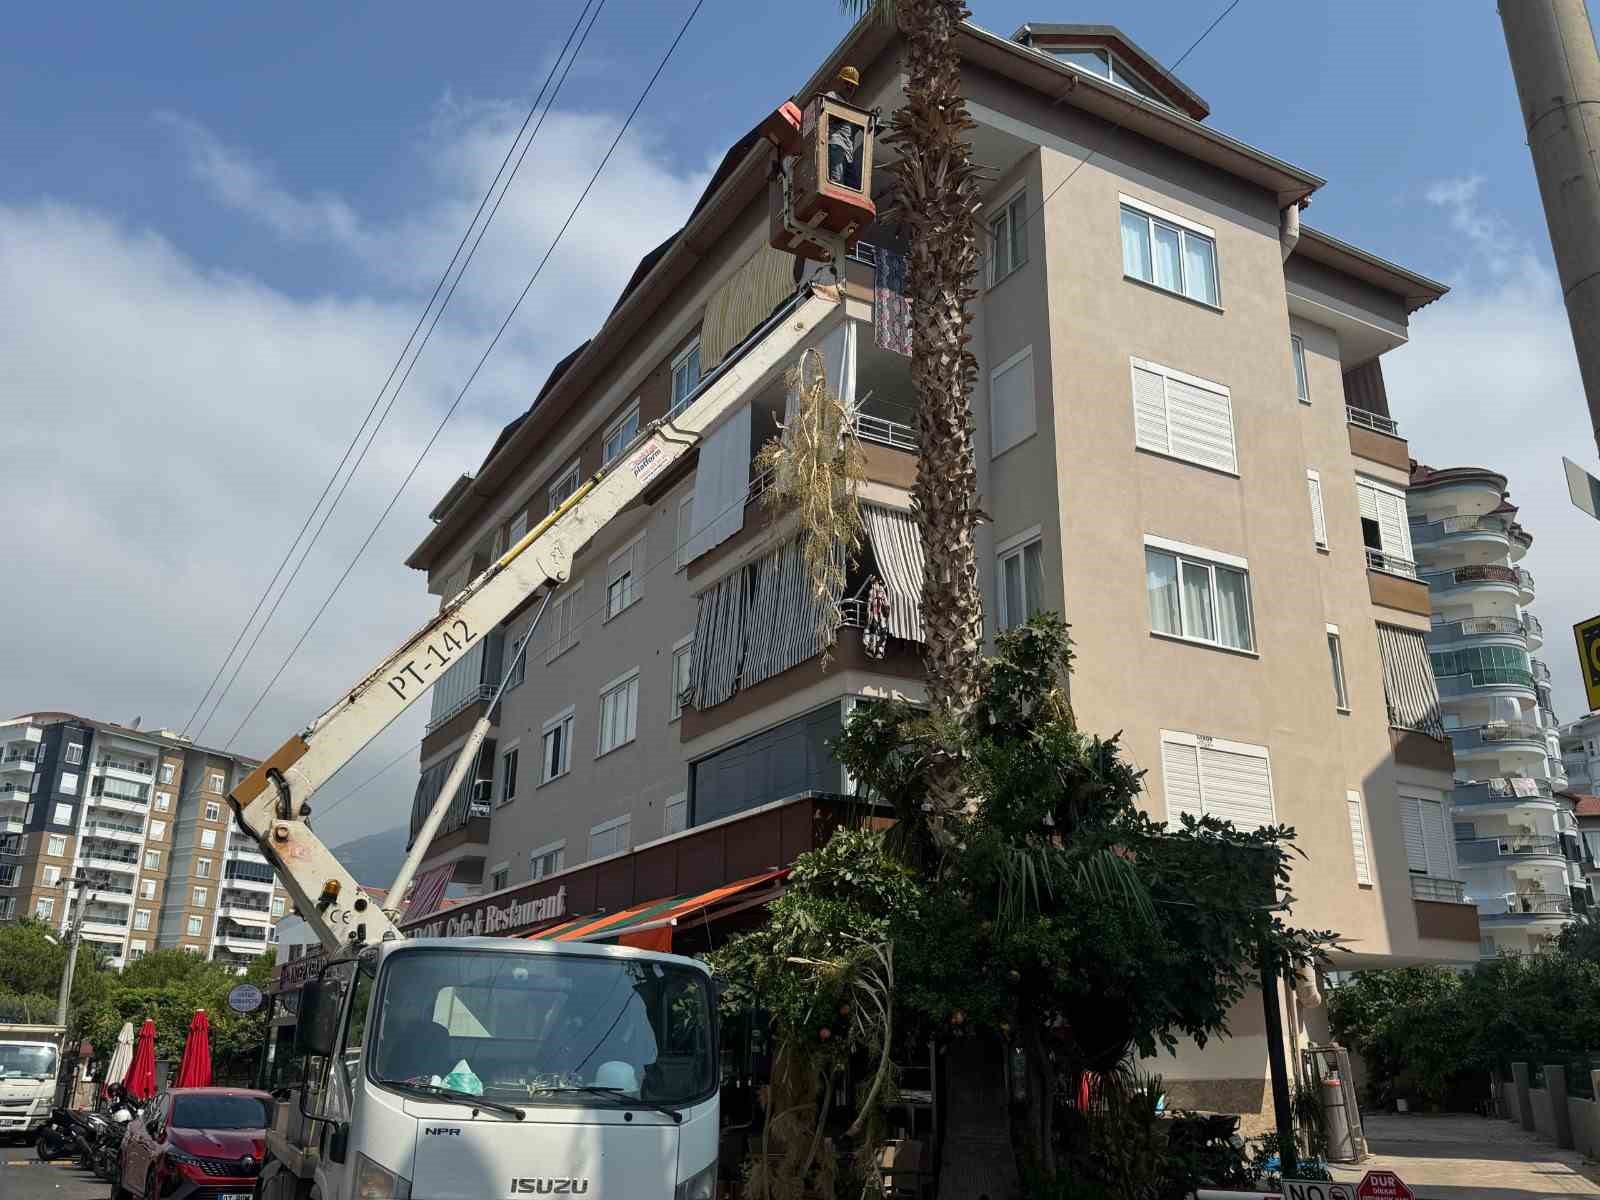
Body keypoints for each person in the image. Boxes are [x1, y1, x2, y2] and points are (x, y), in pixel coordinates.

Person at [824, 66, 864, 191]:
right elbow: (827, 112)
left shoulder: (850, 108)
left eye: (852, 85)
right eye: (847, 83)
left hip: (848, 154)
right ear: (839, 82)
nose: (849, 87)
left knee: (855, 189)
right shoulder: (832, 95)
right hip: (836, 146)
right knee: (836, 182)